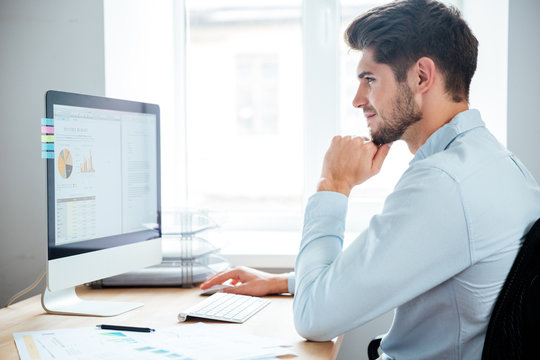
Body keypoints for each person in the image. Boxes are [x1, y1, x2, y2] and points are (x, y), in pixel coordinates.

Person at [201, 0, 540, 358]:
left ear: (422, 77)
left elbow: (313, 319)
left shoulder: (442, 183)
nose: (357, 99)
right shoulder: (497, 164)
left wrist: (333, 185)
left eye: (370, 79)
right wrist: (287, 282)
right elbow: (430, 262)